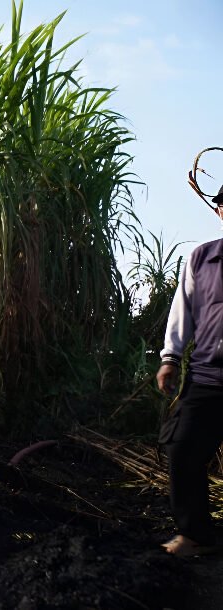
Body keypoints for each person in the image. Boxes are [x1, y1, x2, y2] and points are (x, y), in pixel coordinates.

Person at [156, 185, 223, 557]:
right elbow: (182, 311)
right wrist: (170, 358)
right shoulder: (201, 257)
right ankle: (194, 534)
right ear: (219, 212)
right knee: (183, 449)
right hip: (208, 377)